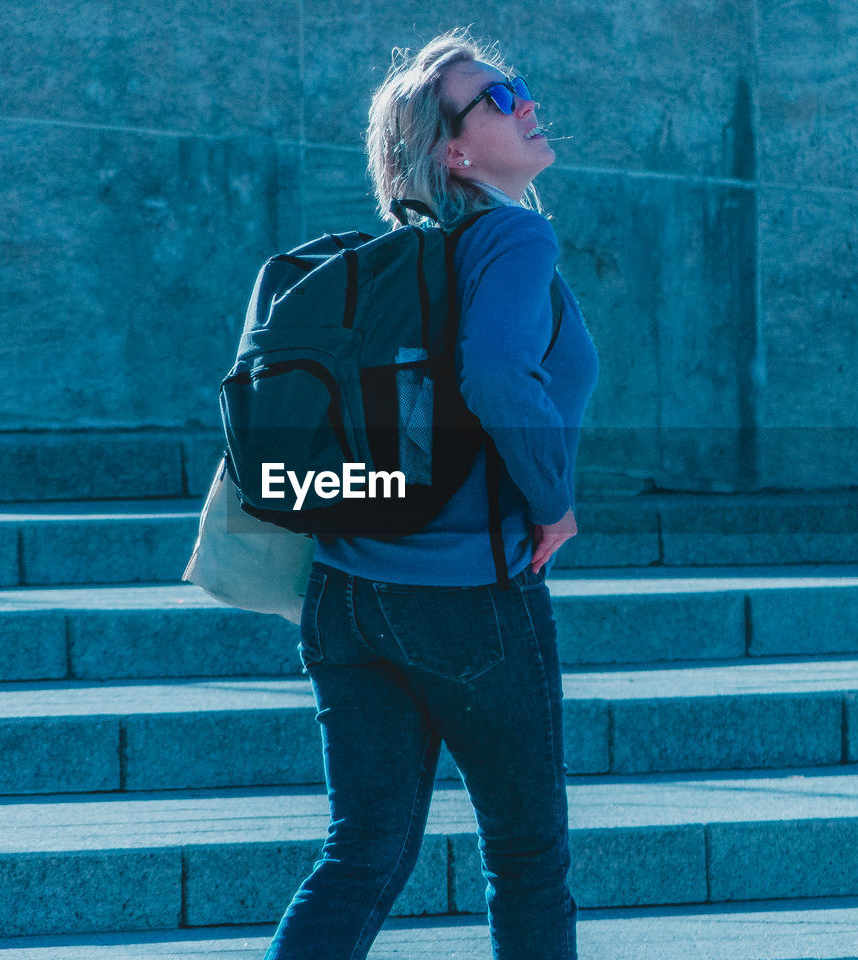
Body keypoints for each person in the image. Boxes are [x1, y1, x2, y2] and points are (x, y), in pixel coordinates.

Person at [263, 28, 599, 960]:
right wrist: (552, 498)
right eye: (498, 97)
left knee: (360, 854)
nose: (526, 101)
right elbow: (495, 373)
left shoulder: (396, 260)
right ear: (455, 151)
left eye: (519, 84)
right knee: (529, 861)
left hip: (344, 595)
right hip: (469, 600)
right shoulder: (513, 236)